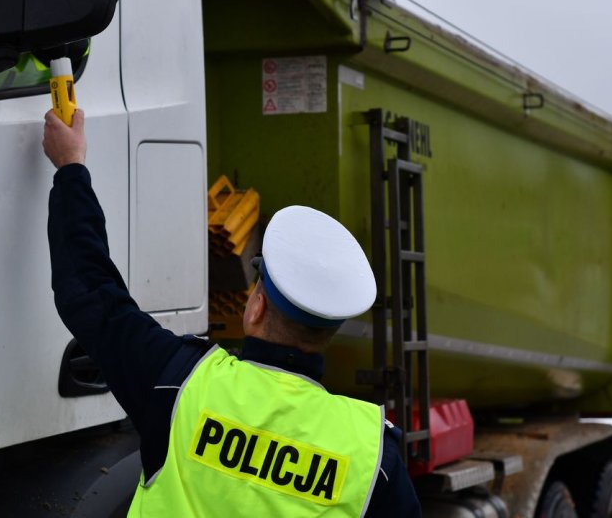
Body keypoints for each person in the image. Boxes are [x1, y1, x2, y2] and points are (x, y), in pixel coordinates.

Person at [43, 108, 422, 517]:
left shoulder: (180, 383)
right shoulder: (371, 455)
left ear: (255, 306)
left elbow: (88, 290)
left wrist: (71, 168)